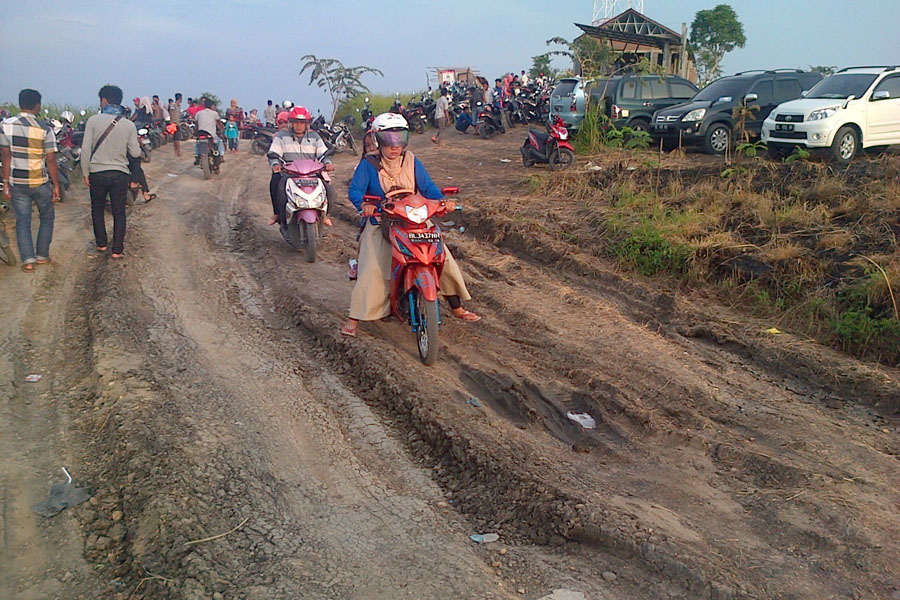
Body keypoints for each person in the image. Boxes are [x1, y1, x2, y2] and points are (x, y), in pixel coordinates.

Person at [340, 113, 480, 337]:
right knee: (372, 266)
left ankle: (456, 306)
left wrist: (442, 202)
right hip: (381, 221)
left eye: (400, 138)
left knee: (442, 256)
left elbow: (428, 188)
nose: (395, 146)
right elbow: (355, 191)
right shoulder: (368, 164)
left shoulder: (412, 160)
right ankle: (354, 319)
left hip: (413, 219)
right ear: (378, 139)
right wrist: (364, 204)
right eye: (388, 139)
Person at [0, 88, 60, 271]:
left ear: (20, 104)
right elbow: (51, 160)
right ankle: (42, 255)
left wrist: (6, 183)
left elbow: (5, 154)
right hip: (40, 181)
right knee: (47, 217)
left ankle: (28, 261)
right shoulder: (45, 129)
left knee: (23, 221)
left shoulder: (5, 125)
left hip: (18, 183)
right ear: (37, 105)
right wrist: (56, 184)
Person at [81, 84, 140, 258]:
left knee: (97, 208)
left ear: (104, 100)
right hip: (119, 173)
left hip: (97, 172)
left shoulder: (92, 121)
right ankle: (117, 249)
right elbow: (135, 153)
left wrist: (85, 172)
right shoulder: (128, 125)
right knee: (119, 211)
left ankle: (101, 244)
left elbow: (85, 150)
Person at [265, 106, 334, 227]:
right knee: (277, 186)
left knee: (330, 191)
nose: (299, 125)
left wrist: (327, 162)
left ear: (307, 124)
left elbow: (323, 153)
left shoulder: (315, 137)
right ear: (290, 123)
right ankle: (278, 214)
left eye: (302, 122)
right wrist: (276, 165)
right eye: (295, 122)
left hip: (312, 173)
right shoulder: (281, 136)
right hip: (289, 174)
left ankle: (324, 214)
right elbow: (273, 153)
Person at [194, 97, 225, 164]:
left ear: (204, 105)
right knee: (220, 142)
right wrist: (222, 128)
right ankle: (222, 156)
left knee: (198, 143)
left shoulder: (199, 113)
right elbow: (219, 124)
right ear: (211, 106)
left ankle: (196, 157)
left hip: (201, 134)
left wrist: (195, 133)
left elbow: (196, 125)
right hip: (211, 135)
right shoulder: (214, 113)